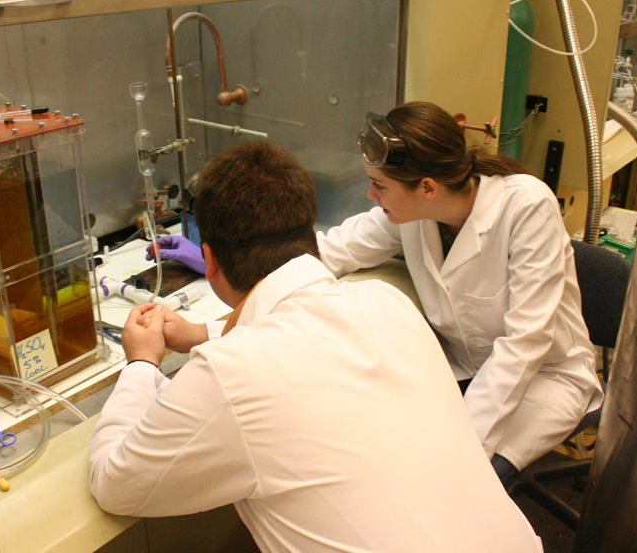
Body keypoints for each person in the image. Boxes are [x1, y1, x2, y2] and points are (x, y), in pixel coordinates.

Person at [90, 141, 543, 552]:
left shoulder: (230, 374)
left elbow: (115, 483)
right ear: (310, 231)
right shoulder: (389, 304)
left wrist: (142, 364)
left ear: (208, 261)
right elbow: (296, 327)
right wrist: (202, 334)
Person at [316, 101, 604, 482]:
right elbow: (337, 248)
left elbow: (525, 343)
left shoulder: (526, 207)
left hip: (544, 378)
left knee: (447, 481)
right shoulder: (411, 214)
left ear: (427, 187)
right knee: (377, 444)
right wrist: (251, 273)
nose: (371, 194)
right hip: (465, 368)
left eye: (380, 185)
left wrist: (459, 447)